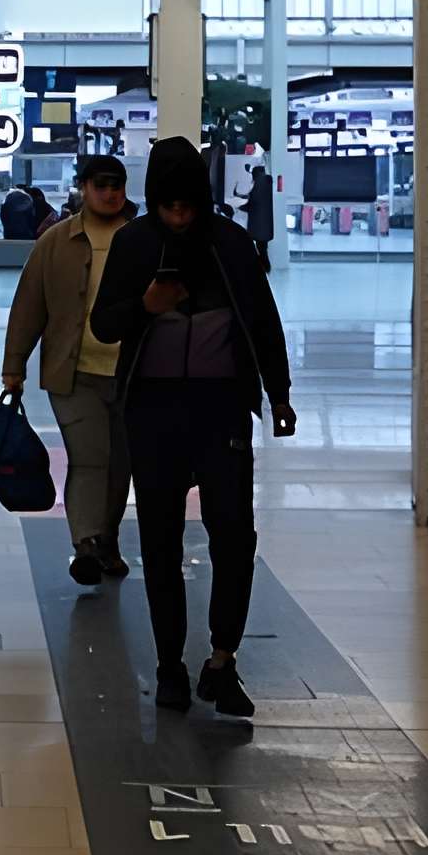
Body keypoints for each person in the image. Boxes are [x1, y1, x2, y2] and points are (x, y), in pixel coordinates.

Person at [89, 136, 295, 718]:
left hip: (220, 409)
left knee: (235, 536)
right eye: (168, 208)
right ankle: (169, 665)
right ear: (154, 202)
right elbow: (105, 325)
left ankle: (222, 661)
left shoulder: (231, 245)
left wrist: (278, 396)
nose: (179, 218)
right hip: (152, 411)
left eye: (188, 207)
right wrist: (147, 306)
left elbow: (263, 321)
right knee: (159, 544)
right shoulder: (133, 245)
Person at [4, 153, 140, 587]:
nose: (109, 192)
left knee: (121, 464)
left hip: (136, 374)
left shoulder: (142, 239)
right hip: (73, 372)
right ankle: (86, 542)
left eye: (116, 184)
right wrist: (14, 366)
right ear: (83, 187)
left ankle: (108, 540)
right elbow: (29, 306)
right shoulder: (57, 242)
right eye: (100, 185)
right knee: (88, 460)